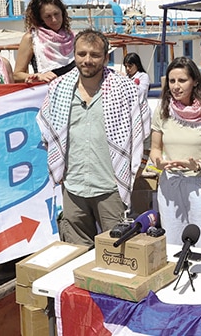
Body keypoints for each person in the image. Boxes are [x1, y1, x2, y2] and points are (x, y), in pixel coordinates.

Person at [36, 29, 149, 247]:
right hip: (73, 188)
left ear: (106, 57)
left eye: (95, 55)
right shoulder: (58, 88)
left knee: (117, 253)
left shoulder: (126, 90)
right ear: (74, 55)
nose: (87, 60)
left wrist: (133, 174)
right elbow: (48, 133)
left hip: (111, 189)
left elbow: (142, 134)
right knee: (76, 254)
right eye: (82, 54)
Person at [149, 57, 201, 249]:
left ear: (194, 81)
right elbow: (155, 148)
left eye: (182, 80)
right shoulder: (163, 108)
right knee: (173, 246)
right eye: (172, 81)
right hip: (170, 185)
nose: (176, 86)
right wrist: (158, 162)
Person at [15, 0, 75, 83]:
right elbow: (17, 75)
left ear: (62, 12)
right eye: (48, 16)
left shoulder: (72, 36)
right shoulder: (31, 38)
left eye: (56, 14)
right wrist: (39, 76)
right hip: (47, 91)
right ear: (40, 18)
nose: (54, 20)